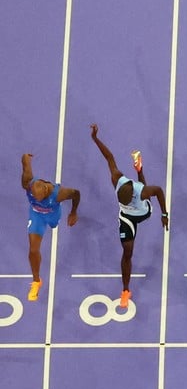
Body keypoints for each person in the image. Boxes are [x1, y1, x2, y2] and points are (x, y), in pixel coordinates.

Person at [90, 124, 168, 308]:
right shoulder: (117, 180)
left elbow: (159, 191)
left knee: (146, 189)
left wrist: (164, 214)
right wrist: (95, 139)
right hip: (127, 218)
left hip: (144, 212)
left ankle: (139, 169)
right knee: (127, 252)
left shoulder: (139, 191)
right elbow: (108, 157)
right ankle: (126, 290)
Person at [21, 153, 80, 301]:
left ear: (47, 191)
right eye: (35, 197)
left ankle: (54, 221)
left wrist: (73, 212)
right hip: (36, 216)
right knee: (33, 250)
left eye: (40, 198)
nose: (37, 199)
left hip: (53, 214)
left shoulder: (59, 193)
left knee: (54, 226)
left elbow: (76, 194)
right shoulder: (27, 182)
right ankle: (36, 281)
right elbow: (25, 163)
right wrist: (26, 157)